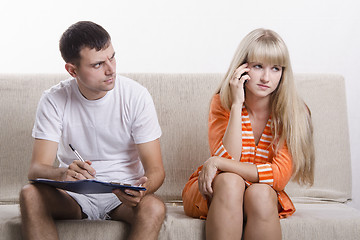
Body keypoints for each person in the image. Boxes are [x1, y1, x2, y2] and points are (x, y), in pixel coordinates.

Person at [19, 21, 166, 240]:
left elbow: (156, 170)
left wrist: (141, 188)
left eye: (112, 57)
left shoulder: (136, 96)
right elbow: (36, 170)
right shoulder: (53, 100)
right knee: (29, 195)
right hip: (74, 194)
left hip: (121, 196)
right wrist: (64, 174)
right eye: (98, 65)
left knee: (154, 207)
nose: (111, 69)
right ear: (72, 70)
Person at [182, 28, 315, 240]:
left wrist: (217, 162)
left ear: (283, 73)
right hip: (218, 191)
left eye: (275, 69)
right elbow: (229, 160)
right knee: (230, 182)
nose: (265, 77)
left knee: (261, 193)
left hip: (260, 196)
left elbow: (278, 177)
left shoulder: (295, 113)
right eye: (258, 66)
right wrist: (237, 105)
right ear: (242, 68)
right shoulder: (222, 103)